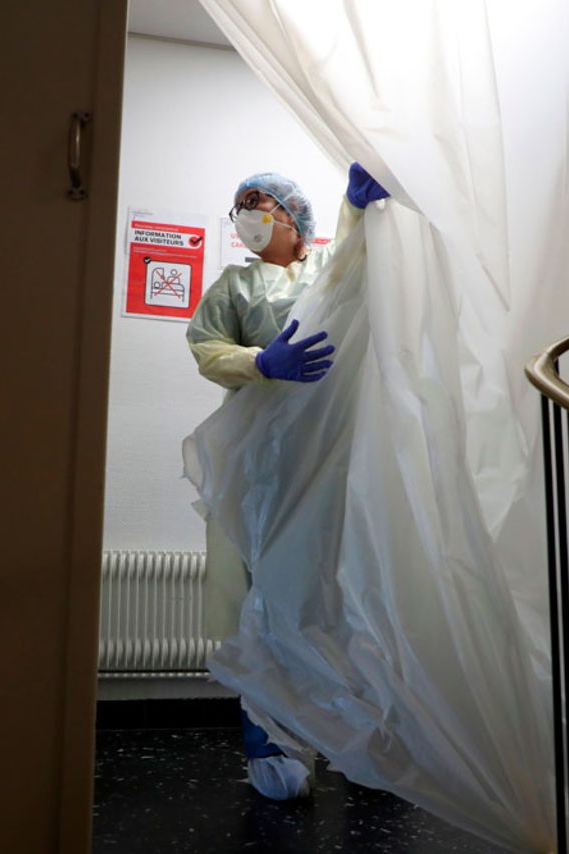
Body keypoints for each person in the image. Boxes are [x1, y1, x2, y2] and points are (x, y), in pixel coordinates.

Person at [186, 164, 389, 801]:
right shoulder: (235, 283)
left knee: (334, 596)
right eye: (239, 205)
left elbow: (354, 271)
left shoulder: (325, 269)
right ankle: (271, 745)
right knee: (261, 602)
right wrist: (259, 361)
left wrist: (356, 209)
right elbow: (206, 346)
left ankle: (359, 739)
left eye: (259, 202)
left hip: (323, 454)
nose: (247, 213)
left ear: (294, 214)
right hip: (259, 462)